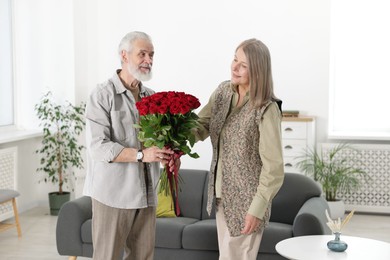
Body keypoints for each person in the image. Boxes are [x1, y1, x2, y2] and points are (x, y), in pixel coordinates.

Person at [83, 31, 176, 260]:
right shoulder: (102, 95)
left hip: (146, 193)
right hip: (113, 195)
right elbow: (98, 146)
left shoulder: (152, 97)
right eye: (142, 54)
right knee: (108, 256)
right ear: (124, 55)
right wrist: (141, 155)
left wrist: (170, 153)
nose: (149, 60)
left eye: (151, 54)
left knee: (143, 256)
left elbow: (158, 143)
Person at [194, 38, 285, 260]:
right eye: (235, 59)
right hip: (221, 197)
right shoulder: (224, 92)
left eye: (243, 65)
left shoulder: (266, 108)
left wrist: (257, 209)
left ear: (258, 70)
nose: (234, 67)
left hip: (247, 201)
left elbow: (274, 169)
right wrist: (172, 138)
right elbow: (201, 125)